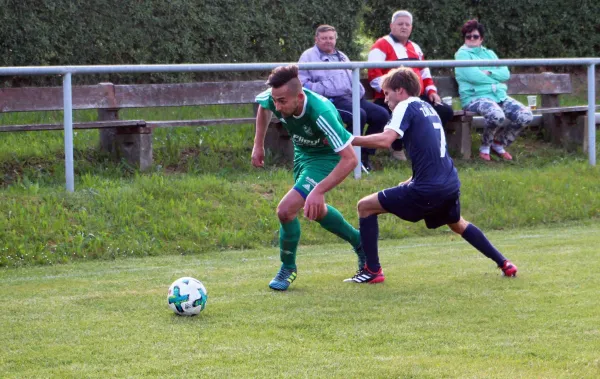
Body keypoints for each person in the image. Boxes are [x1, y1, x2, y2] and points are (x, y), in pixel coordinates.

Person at [345, 67, 518, 284]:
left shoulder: (405, 105)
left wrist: (349, 139)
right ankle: (504, 263)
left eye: (387, 93)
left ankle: (372, 271)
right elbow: (434, 150)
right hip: (449, 182)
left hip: (429, 188)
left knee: (365, 206)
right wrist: (412, 178)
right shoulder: (427, 107)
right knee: (457, 223)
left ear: (400, 90)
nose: (385, 99)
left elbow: (385, 140)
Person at [253, 64, 366, 291]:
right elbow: (263, 107)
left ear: (300, 96)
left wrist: (319, 190)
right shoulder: (276, 97)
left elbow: (350, 160)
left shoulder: (321, 112)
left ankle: (288, 268)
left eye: (282, 101)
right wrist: (258, 145)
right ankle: (360, 242)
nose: (277, 105)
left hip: (326, 158)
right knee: (317, 211)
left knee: (286, 210)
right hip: (303, 155)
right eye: (275, 100)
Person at [298, 24, 389, 171]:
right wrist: (328, 88)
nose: (328, 41)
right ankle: (347, 158)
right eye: (324, 38)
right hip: (330, 101)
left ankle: (364, 155)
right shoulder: (307, 57)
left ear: (335, 39)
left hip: (353, 98)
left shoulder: (342, 56)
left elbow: (353, 76)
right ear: (316, 39)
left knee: (381, 115)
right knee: (358, 115)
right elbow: (302, 85)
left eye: (331, 38)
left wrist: (358, 91)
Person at [367, 10, 454, 162]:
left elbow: (425, 73)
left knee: (444, 111)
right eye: (400, 24)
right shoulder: (380, 46)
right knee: (400, 113)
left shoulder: (416, 47)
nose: (404, 27)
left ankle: (420, 146)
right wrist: (393, 93)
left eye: (407, 24)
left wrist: (432, 91)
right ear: (392, 26)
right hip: (390, 98)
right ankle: (398, 147)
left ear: (411, 28)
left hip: (416, 97)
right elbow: (374, 78)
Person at [454, 19, 533, 161]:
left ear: (481, 39)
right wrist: (494, 77)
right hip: (474, 98)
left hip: (498, 95)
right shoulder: (461, 55)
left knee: (525, 115)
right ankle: (485, 147)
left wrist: (489, 72)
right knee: (497, 115)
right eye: (468, 36)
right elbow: (474, 77)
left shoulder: (490, 54)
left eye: (475, 36)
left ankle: (498, 144)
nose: (471, 39)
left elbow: (505, 73)